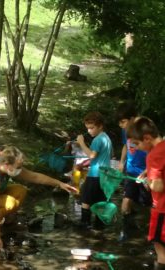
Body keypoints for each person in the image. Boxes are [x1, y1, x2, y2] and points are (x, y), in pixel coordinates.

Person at [0, 146, 77, 252]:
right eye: (18, 167)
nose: (20, 169)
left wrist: (60, 184)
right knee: (10, 202)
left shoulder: (4, 166)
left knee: (20, 190)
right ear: (7, 164)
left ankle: (6, 223)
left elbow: (35, 177)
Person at [127, 117, 165, 270]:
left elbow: (158, 187)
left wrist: (148, 181)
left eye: (137, 143)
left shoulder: (153, 155)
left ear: (147, 138)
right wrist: (148, 173)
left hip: (162, 209)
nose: (136, 147)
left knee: (161, 251)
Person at [116, 102, 152, 241]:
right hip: (130, 172)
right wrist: (121, 162)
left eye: (123, 122)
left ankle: (153, 234)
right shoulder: (125, 131)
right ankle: (126, 230)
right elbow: (126, 146)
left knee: (149, 205)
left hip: (145, 173)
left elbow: (155, 151)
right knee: (126, 202)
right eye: (119, 123)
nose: (121, 125)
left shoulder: (145, 129)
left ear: (132, 118)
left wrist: (149, 171)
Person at [75, 111, 112, 229]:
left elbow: (91, 155)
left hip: (95, 174)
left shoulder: (97, 140)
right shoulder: (106, 138)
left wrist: (81, 143)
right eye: (87, 128)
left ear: (100, 126)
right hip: (105, 175)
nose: (89, 131)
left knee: (85, 198)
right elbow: (104, 156)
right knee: (100, 200)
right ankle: (99, 225)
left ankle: (84, 224)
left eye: (92, 128)